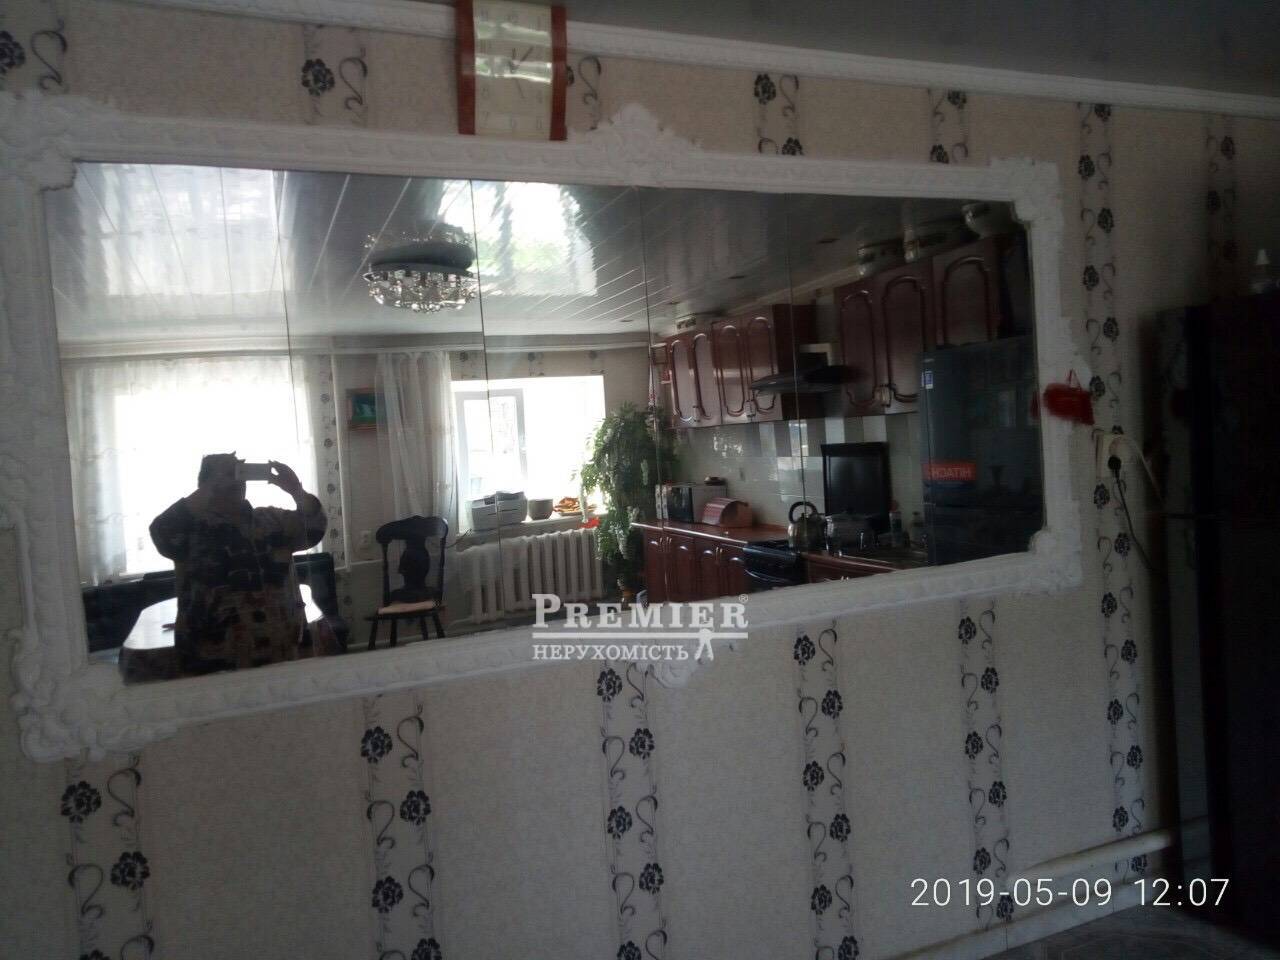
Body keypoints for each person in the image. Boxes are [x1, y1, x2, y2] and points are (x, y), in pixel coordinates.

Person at [148, 453, 327, 675]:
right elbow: (162, 533)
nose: (236, 481)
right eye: (228, 474)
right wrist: (210, 487)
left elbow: (315, 527)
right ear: (206, 483)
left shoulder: (272, 521)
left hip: (282, 652)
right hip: (213, 660)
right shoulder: (192, 530)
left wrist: (296, 490)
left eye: (239, 473)